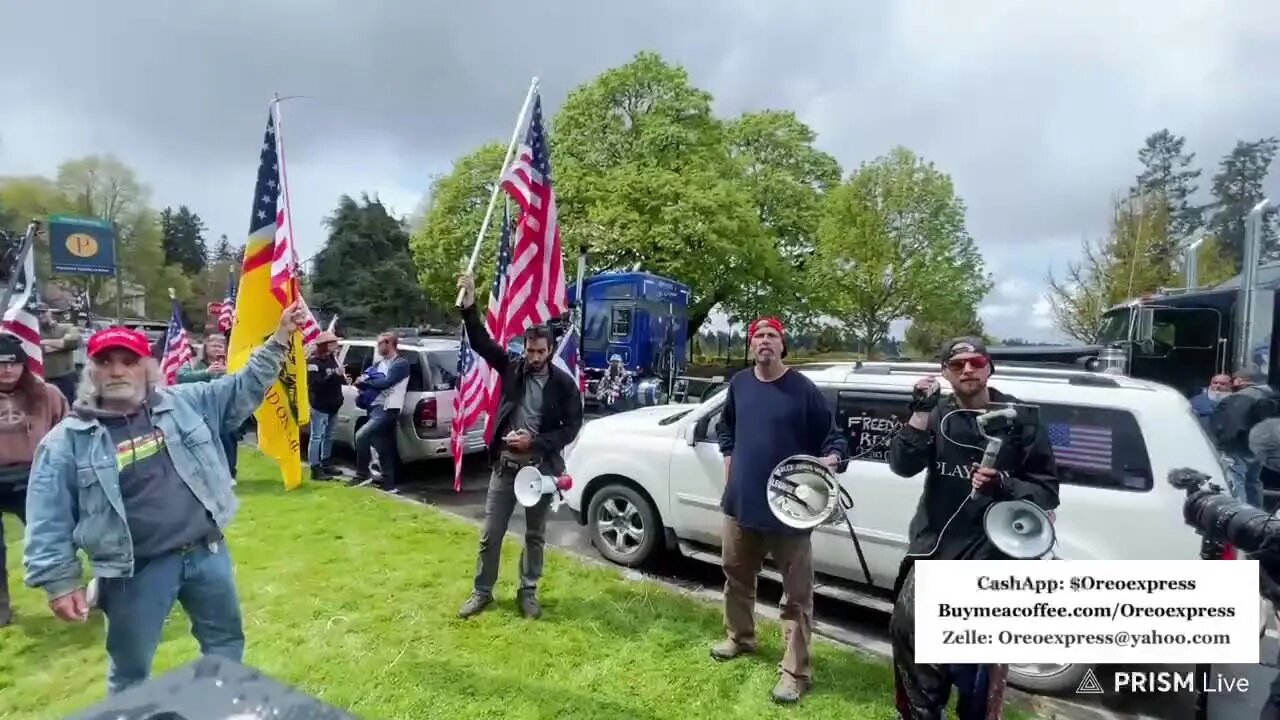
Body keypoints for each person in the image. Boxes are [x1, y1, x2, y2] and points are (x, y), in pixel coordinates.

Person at [22, 303, 305, 695]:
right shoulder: (65, 443)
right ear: (92, 370)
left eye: (129, 360)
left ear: (148, 368)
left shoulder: (185, 403)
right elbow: (47, 517)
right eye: (106, 361)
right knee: (131, 673)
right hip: (135, 572)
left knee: (224, 646)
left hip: (207, 555)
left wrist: (280, 338)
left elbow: (244, 386)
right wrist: (59, 581)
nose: (118, 370)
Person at [886, 336, 1059, 720]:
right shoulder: (938, 414)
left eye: (975, 362)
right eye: (956, 364)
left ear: (989, 367)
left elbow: (1047, 491)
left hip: (991, 557)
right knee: (911, 644)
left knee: (977, 672)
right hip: (934, 551)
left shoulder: (1021, 419)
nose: (967, 370)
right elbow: (902, 465)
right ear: (946, 372)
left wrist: (1004, 486)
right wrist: (919, 411)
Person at [711, 316, 847, 705]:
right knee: (736, 576)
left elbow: (834, 437)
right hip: (740, 504)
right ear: (751, 346)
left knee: (797, 597)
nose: (764, 342)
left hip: (790, 511)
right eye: (757, 337)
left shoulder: (802, 389)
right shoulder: (739, 384)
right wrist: (729, 461)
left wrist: (832, 459)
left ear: (782, 345)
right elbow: (727, 429)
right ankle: (740, 637)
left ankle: (795, 672)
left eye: (771, 336)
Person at [454, 273, 584, 620]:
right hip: (505, 468)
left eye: (541, 351)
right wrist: (469, 307)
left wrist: (537, 442)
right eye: (530, 351)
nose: (535, 357)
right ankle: (482, 592)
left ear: (551, 350)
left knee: (535, 535)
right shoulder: (512, 368)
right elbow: (483, 344)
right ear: (523, 349)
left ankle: (528, 593)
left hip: (539, 471)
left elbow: (572, 427)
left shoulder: (564, 385)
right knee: (490, 534)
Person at [0, 334, 69, 626]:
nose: (6, 370)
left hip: (34, 476)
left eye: (13, 363)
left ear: (23, 365)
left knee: (52, 540)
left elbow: (67, 431)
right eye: (0, 364)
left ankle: (68, 593)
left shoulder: (47, 394)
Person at [347, 331, 409, 493]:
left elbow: (387, 383)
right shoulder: (377, 364)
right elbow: (362, 382)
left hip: (387, 409)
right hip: (373, 407)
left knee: (361, 436)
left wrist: (367, 381)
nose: (378, 346)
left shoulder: (400, 364)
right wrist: (364, 382)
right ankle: (389, 484)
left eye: (380, 343)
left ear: (389, 343)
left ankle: (362, 474)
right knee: (383, 446)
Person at [176, 334, 241, 479]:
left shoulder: (232, 363)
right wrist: (206, 372)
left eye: (220, 346)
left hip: (225, 409)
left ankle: (229, 474)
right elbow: (181, 377)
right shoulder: (193, 363)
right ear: (206, 348)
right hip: (200, 409)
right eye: (213, 346)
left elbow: (241, 380)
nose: (217, 349)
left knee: (228, 440)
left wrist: (228, 373)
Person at [1210, 365, 1275, 508]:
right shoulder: (1269, 395)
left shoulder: (1242, 396)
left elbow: (1233, 423)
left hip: (1238, 447)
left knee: (1237, 480)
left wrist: (1222, 444)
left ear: (1241, 380)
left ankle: (1242, 514)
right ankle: (1257, 512)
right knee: (1253, 481)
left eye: (1234, 380)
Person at [307, 331, 345, 480]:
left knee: (329, 436)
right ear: (324, 345)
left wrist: (341, 375)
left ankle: (326, 462)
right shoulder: (313, 362)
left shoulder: (333, 359)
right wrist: (332, 374)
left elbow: (338, 380)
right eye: (332, 343)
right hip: (320, 405)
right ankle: (315, 468)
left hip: (334, 404)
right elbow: (316, 383)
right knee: (317, 436)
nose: (335, 346)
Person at [37, 304, 82, 404]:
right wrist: (60, 344)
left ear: (50, 312)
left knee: (68, 406)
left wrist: (43, 342)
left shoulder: (67, 328)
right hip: (44, 379)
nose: (40, 315)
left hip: (65, 377)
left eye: (43, 312)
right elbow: (35, 347)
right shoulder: (35, 331)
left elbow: (73, 342)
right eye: (38, 313)